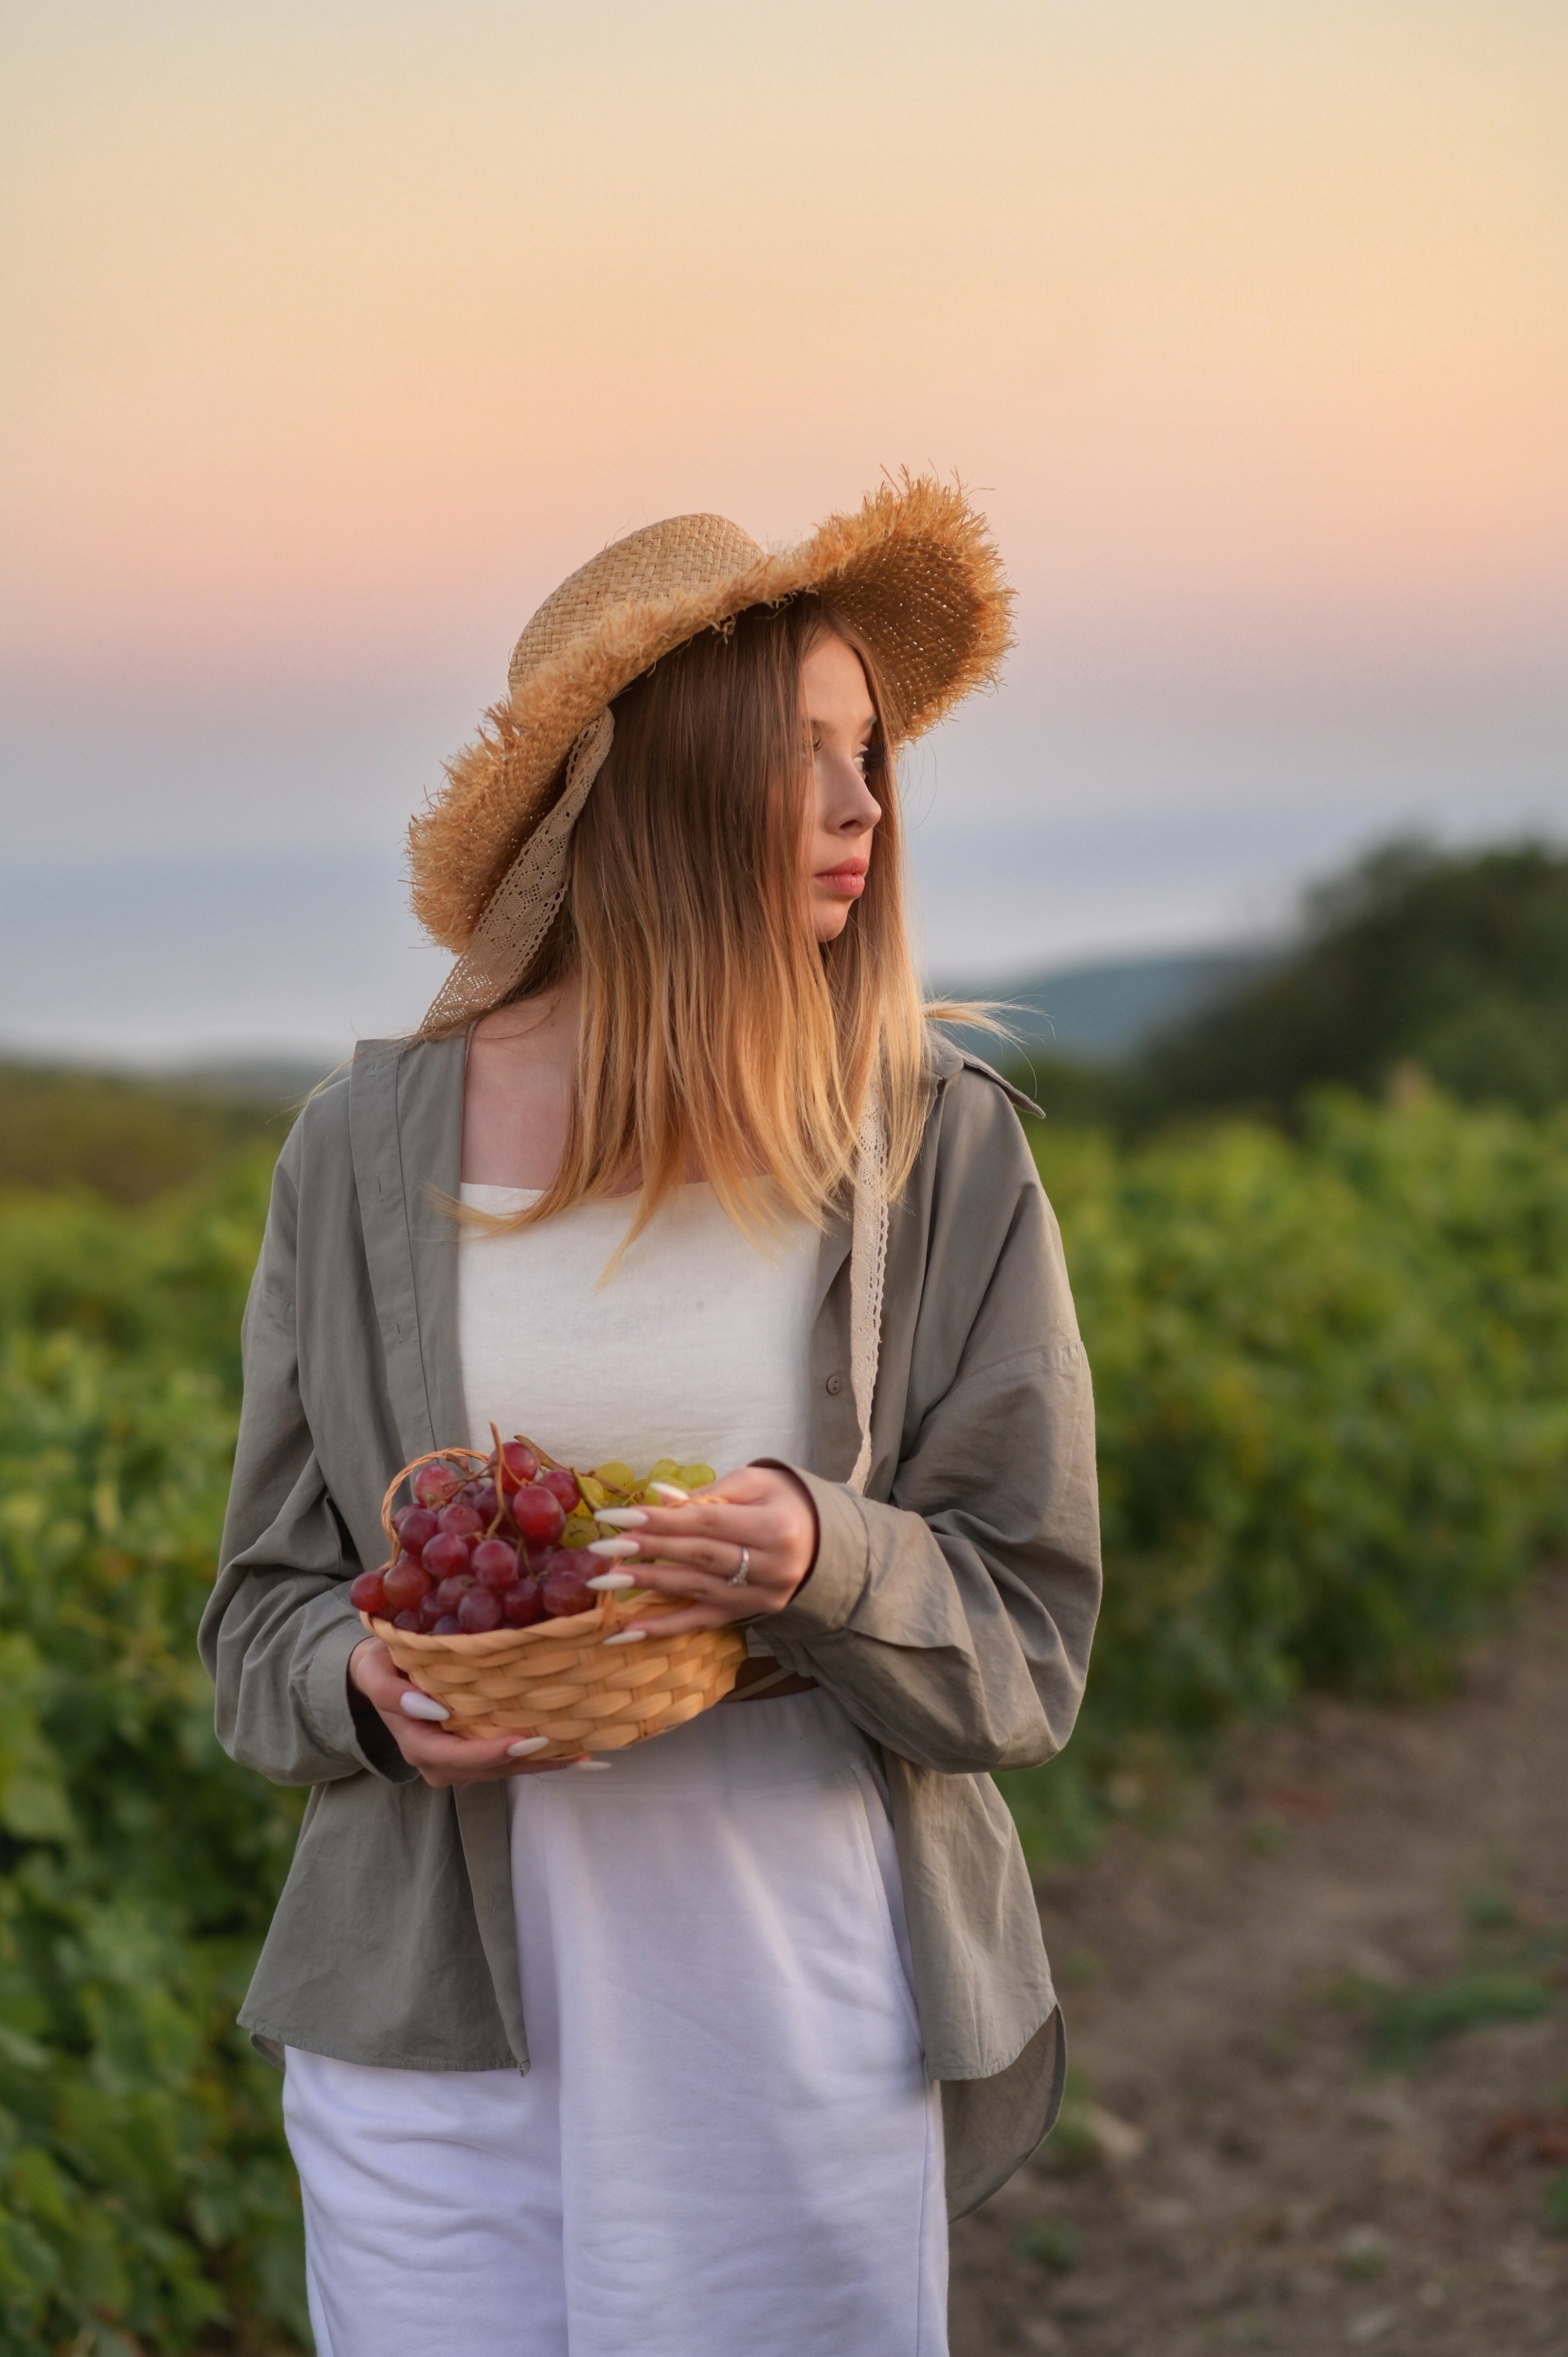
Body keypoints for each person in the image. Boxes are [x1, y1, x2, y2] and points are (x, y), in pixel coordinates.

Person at [201, 476, 1101, 2357]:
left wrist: (824, 1555)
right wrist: (364, 1687)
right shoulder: (357, 1154)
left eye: (871, 753)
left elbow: (1028, 1642)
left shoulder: (939, 1154)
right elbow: (261, 1622)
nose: (865, 807)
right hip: (432, 2025)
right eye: (802, 756)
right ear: (650, 787)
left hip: (797, 2000)